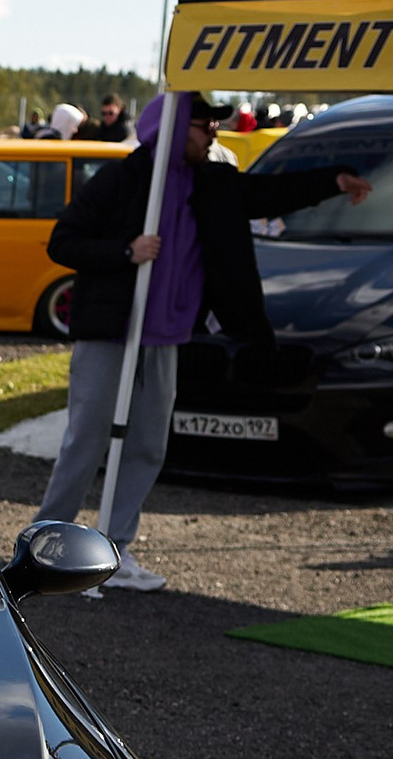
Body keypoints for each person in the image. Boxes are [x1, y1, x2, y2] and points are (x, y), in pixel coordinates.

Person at [36, 91, 371, 589]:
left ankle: (114, 548)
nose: (212, 134)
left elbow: (267, 194)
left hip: (166, 334)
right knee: (87, 437)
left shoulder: (210, 182)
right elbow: (64, 240)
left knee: (148, 443)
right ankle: (47, 545)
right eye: (201, 126)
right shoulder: (124, 179)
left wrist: (334, 180)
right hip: (112, 330)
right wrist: (126, 251)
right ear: (170, 129)